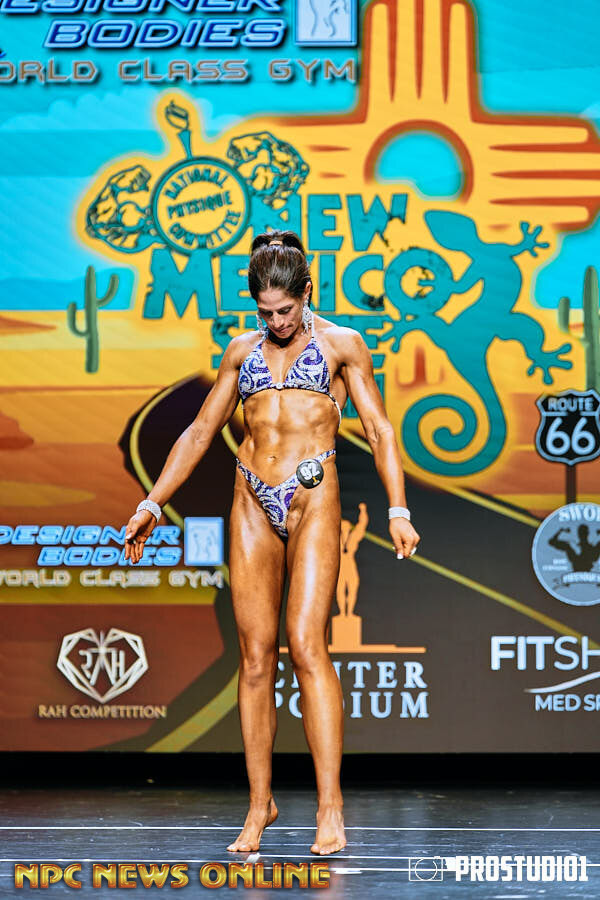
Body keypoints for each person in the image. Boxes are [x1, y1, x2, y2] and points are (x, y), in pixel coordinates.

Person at [123, 230, 420, 855]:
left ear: (306, 293)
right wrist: (152, 502)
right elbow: (200, 431)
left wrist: (397, 508)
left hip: (313, 497)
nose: (277, 322)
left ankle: (330, 808)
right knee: (256, 658)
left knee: (307, 645)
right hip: (252, 498)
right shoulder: (242, 351)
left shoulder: (342, 345)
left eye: (285, 310)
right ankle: (260, 804)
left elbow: (379, 428)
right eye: (265, 312)